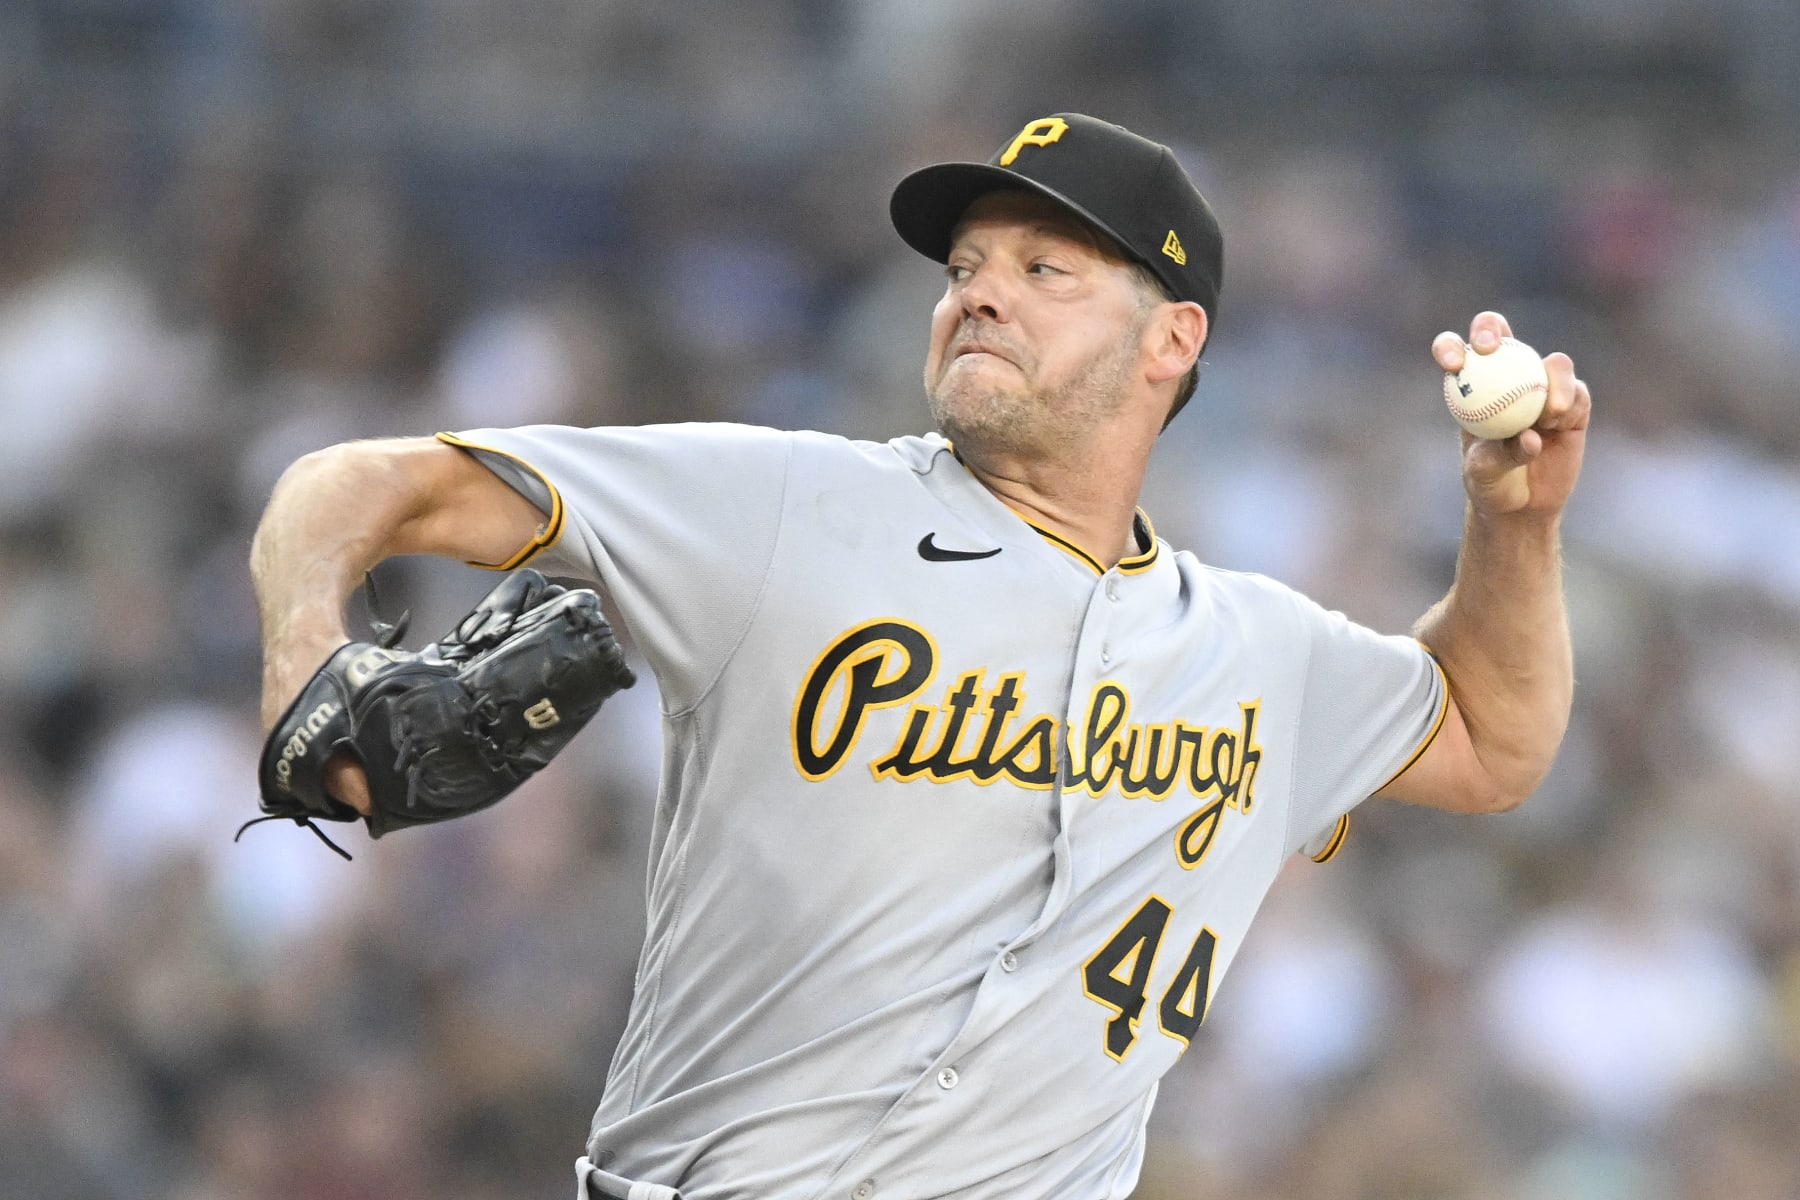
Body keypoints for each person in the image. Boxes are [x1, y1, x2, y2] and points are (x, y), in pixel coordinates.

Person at [251, 112, 1588, 1200]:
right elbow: (361, 483)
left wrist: (1514, 526)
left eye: (1044, 270)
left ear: (1173, 338)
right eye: (964, 270)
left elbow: (1493, 739)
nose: (979, 294)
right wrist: (307, 656)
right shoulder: (786, 504)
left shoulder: (1258, 650)